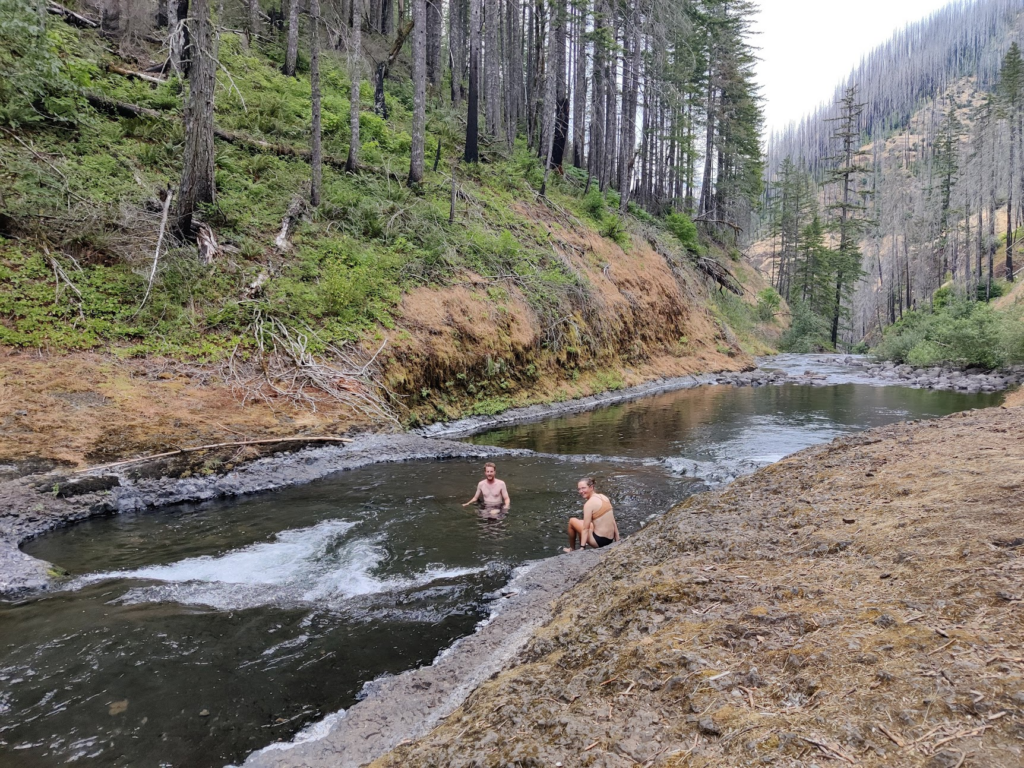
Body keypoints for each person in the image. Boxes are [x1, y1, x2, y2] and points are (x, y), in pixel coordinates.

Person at [564, 477, 619, 553]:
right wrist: (617, 539)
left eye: (583, 488)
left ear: (591, 487)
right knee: (581, 522)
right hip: (610, 539)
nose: (581, 491)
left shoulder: (589, 504)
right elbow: (612, 520)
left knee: (572, 521)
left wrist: (582, 548)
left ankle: (572, 549)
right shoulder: (604, 497)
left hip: (599, 541)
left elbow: (585, 529)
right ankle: (582, 544)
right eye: (579, 489)